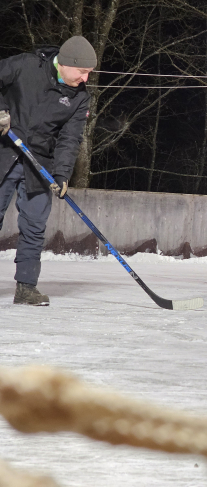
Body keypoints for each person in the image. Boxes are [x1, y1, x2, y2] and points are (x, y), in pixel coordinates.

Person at [0, 36, 96, 306]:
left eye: (89, 73)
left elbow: (69, 138)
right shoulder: (25, 66)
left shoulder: (79, 99)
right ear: (65, 64)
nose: (85, 79)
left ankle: (26, 287)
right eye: (82, 72)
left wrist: (62, 174)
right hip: (4, 152)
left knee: (34, 226)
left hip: (39, 164)